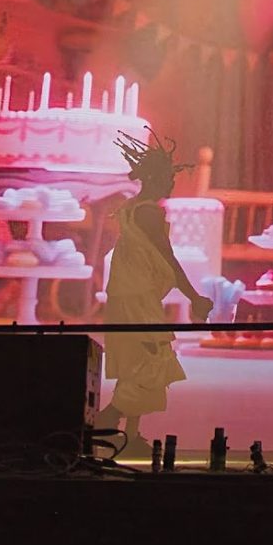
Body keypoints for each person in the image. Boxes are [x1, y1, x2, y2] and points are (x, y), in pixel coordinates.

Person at [98, 133, 205, 452]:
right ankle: (108, 418)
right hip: (136, 297)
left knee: (138, 361)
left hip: (131, 295)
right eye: (168, 179)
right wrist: (195, 297)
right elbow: (167, 257)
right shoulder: (147, 213)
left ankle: (131, 434)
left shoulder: (133, 208)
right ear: (155, 178)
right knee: (152, 356)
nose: (171, 185)